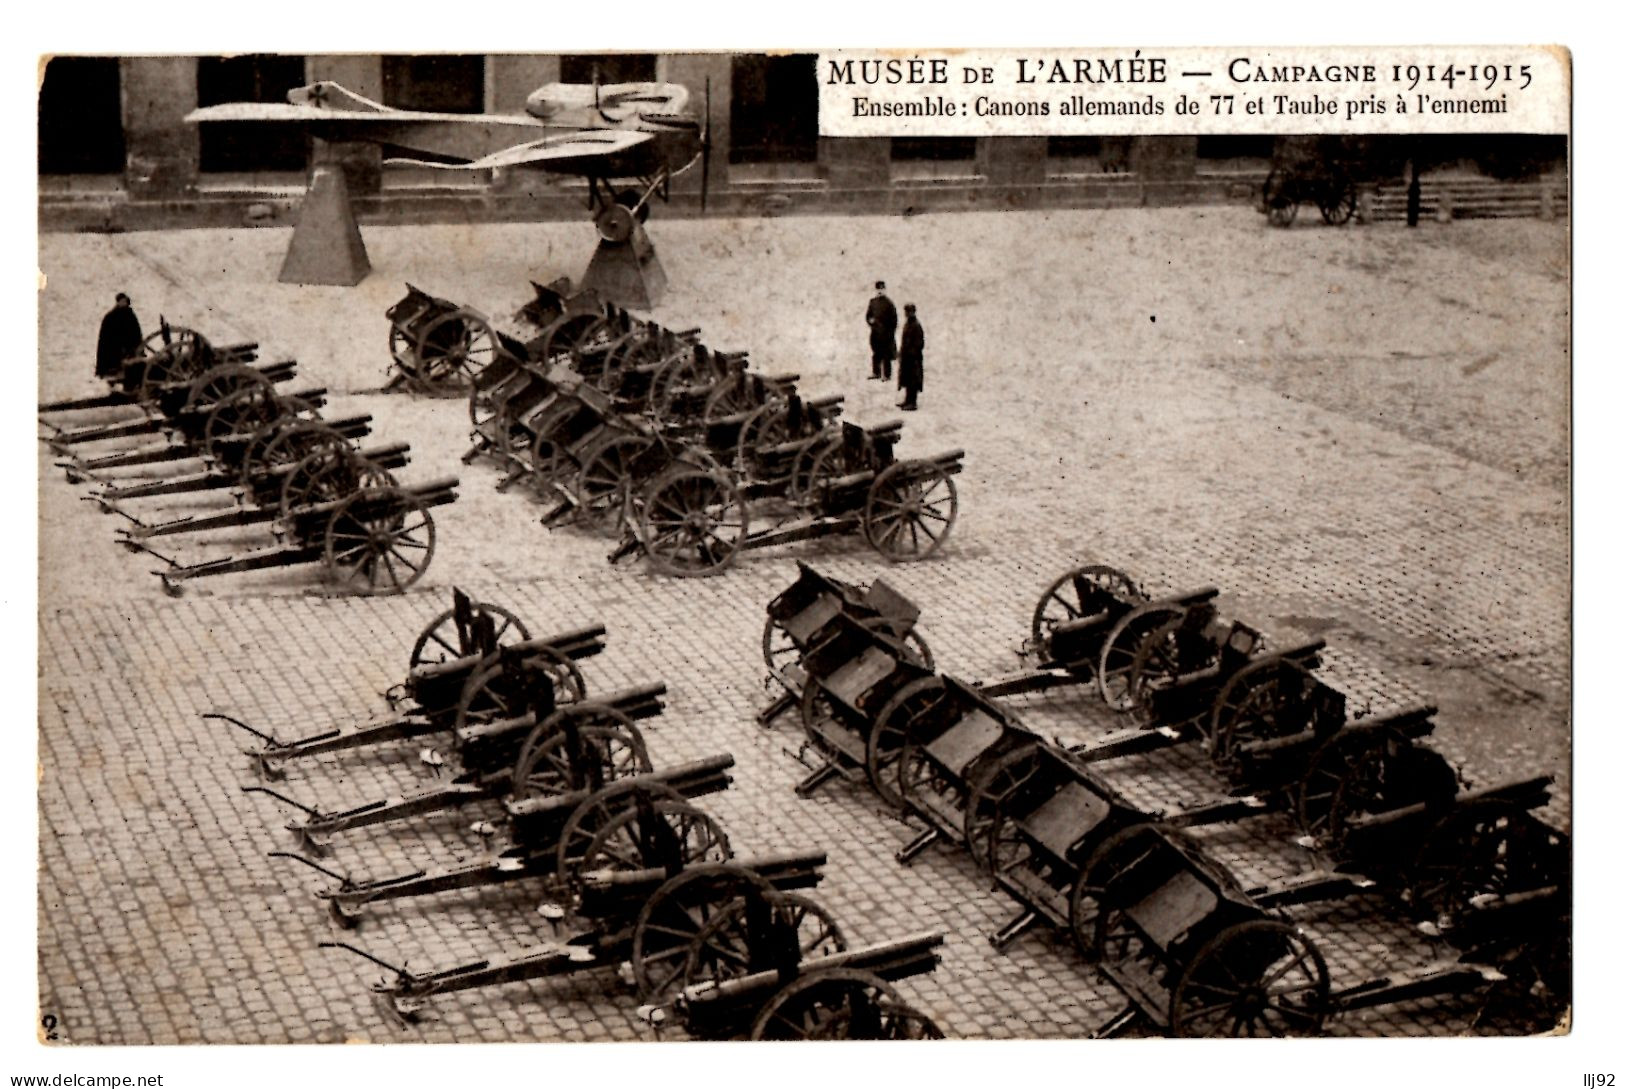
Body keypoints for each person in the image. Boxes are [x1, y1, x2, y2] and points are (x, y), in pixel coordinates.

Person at [96, 292, 143, 381]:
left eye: (124, 301)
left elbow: (136, 332)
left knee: (131, 363)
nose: (123, 303)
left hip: (129, 346)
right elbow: (105, 336)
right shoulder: (111, 316)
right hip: (115, 347)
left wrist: (137, 346)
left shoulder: (131, 315)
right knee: (115, 362)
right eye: (121, 301)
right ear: (117, 302)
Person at [865, 281, 897, 381]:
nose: (880, 291)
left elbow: (894, 320)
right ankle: (876, 372)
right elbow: (868, 316)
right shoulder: (872, 302)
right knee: (876, 353)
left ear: (885, 290)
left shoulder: (889, 303)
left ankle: (887, 375)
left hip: (886, 333)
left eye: (882, 289)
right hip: (875, 333)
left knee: (886, 355)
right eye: (878, 289)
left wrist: (890, 333)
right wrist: (871, 322)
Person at [898, 303, 924, 411]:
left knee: (913, 381)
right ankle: (907, 400)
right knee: (907, 380)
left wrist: (911, 354)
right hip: (907, 358)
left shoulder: (916, 325)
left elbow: (919, 344)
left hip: (913, 359)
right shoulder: (908, 324)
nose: (907, 314)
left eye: (909, 312)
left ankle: (913, 403)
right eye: (906, 312)